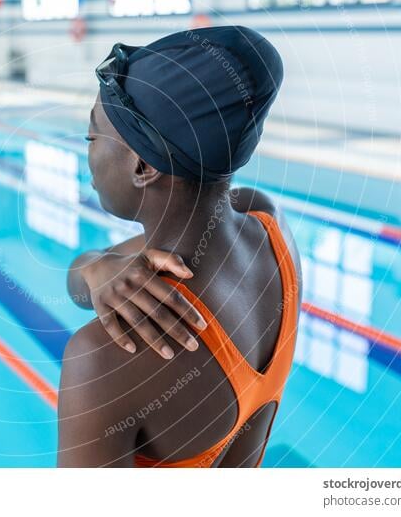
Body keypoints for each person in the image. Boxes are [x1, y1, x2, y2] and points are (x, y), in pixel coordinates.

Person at [57, 26, 302, 467]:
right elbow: (79, 281)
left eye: (92, 138)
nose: (87, 152)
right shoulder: (268, 225)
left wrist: (101, 265)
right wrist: (95, 267)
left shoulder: (105, 359)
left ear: (143, 165)